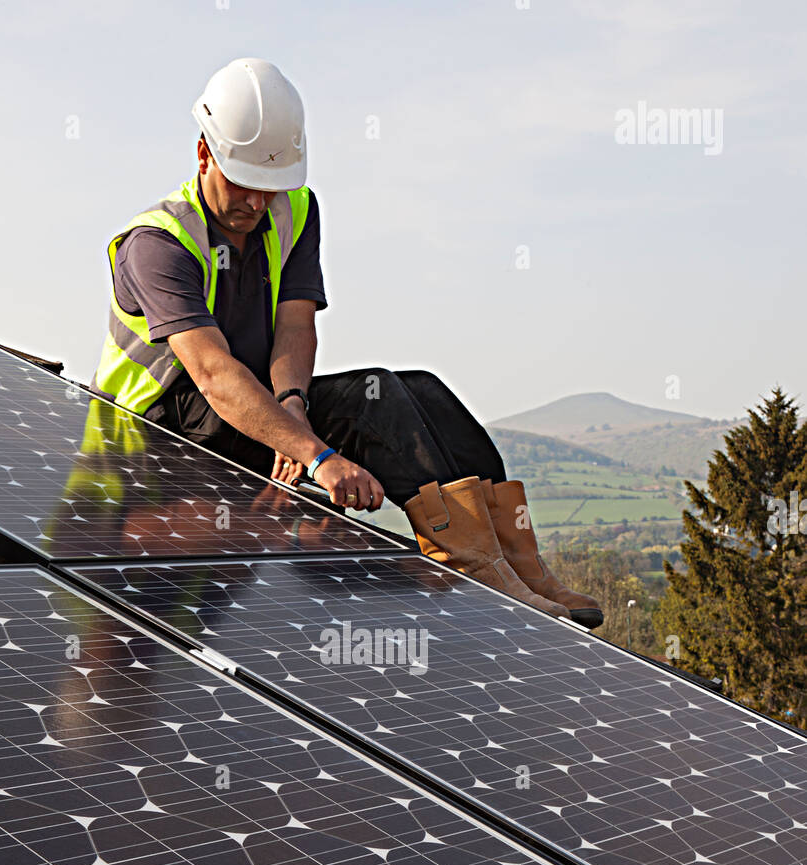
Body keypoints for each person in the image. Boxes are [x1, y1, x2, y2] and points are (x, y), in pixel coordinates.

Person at [91, 57, 601, 627]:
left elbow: (294, 326)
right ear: (204, 153)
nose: (259, 203)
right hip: (160, 448)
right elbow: (213, 374)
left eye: (272, 187)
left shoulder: (295, 209)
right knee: (368, 397)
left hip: (247, 411)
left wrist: (293, 408)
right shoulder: (158, 244)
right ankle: (476, 572)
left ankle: (517, 563)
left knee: (420, 391)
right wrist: (319, 456)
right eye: (246, 184)